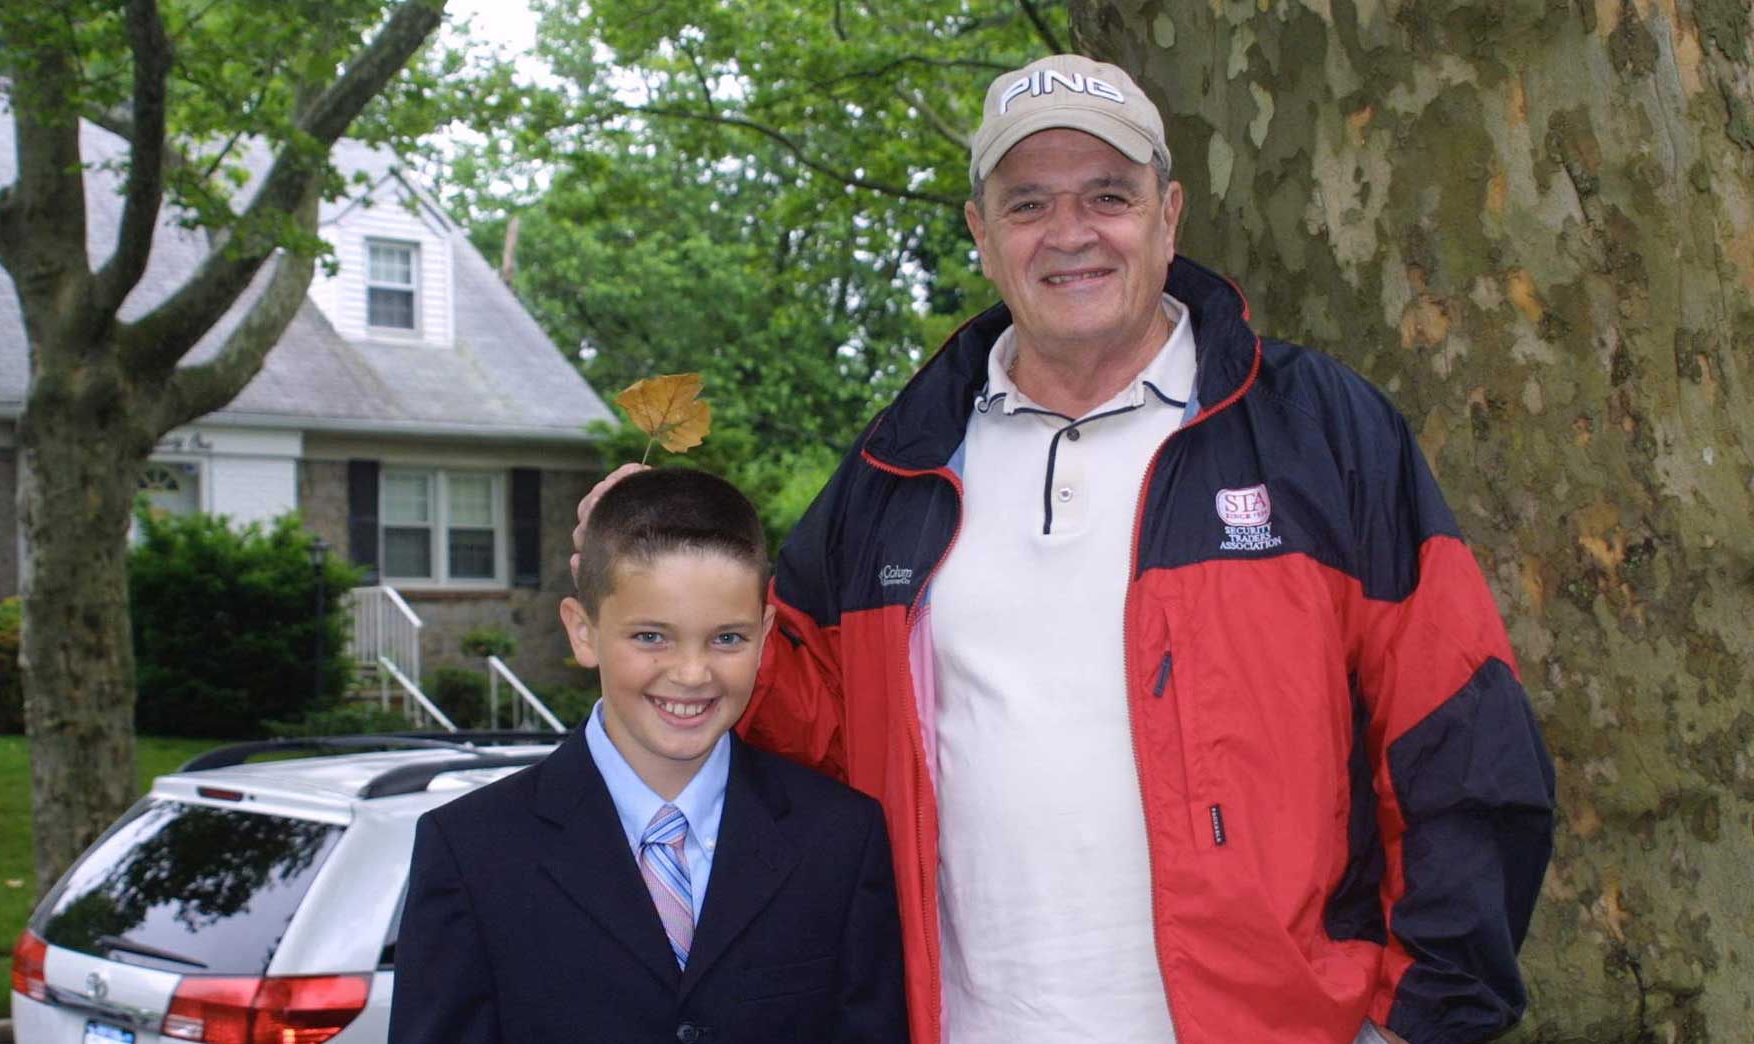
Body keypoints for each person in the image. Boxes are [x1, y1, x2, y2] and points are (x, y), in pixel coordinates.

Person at [576, 54, 1555, 1044]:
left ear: (1168, 216)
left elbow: (1460, 742)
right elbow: (813, 732)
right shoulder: (897, 468)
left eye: (1107, 196)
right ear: (982, 235)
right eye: (1029, 202)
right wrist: (672, 589)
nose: (1070, 233)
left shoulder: (1319, 432)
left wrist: (1419, 1018)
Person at [390, 468, 908, 1044]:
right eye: (651, 637)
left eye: (727, 638)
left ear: (765, 633)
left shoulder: (839, 836)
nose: (691, 673)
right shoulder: (470, 849)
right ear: (583, 631)